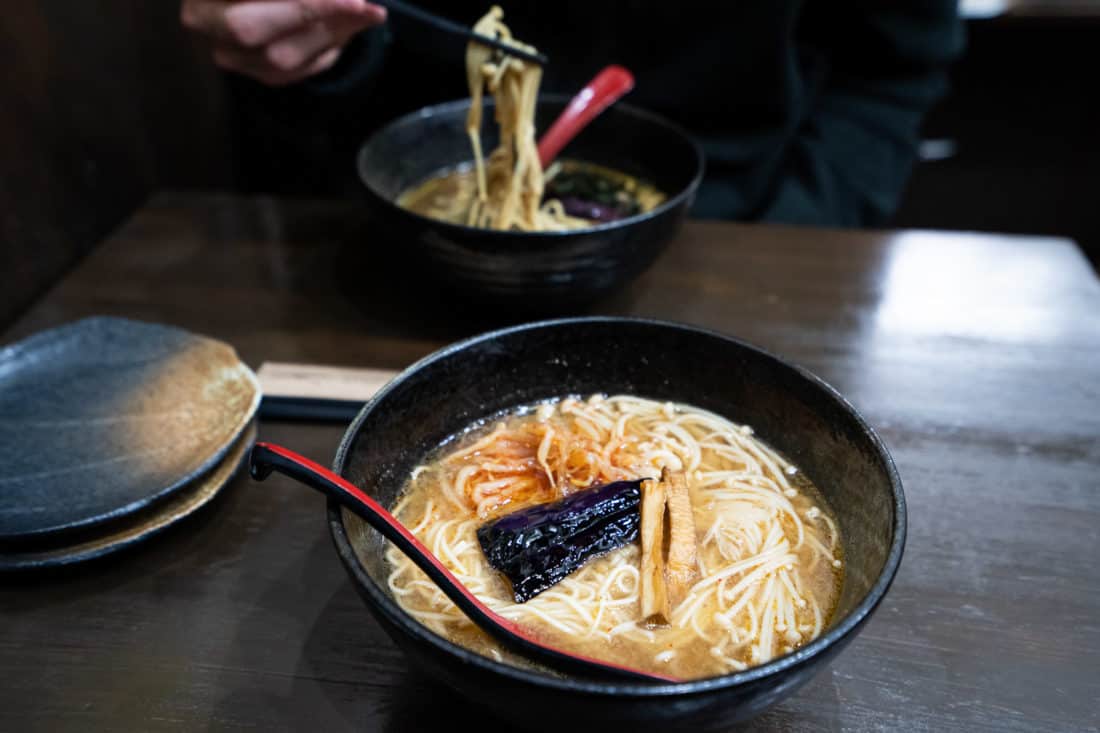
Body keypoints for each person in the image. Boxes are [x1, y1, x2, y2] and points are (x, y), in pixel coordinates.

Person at [180, 0, 964, 227]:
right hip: (404, 224)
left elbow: (894, 62)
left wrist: (798, 228)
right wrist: (315, 46)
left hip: (745, 220)